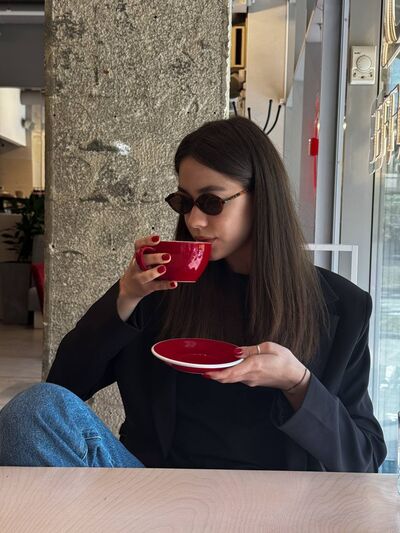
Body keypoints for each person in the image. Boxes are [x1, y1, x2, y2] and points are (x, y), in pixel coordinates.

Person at [0, 117, 386, 471]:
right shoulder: (162, 288)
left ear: (261, 197)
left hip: (275, 503)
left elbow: (363, 462)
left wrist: (297, 383)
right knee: (31, 411)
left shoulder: (343, 306)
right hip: (156, 494)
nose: (194, 220)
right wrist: (126, 297)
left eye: (211, 202)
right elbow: (63, 387)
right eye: (184, 202)